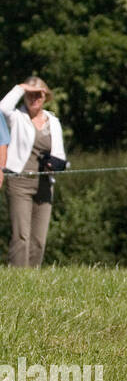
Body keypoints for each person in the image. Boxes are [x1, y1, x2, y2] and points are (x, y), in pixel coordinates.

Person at [2, 77, 68, 267]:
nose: (34, 99)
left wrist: (54, 164)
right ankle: (18, 277)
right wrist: (21, 87)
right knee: (21, 236)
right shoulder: (16, 117)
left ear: (45, 96)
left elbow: (59, 155)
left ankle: (33, 278)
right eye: (30, 95)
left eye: (38, 94)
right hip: (19, 182)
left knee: (39, 239)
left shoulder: (53, 121)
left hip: (44, 184)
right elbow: (2, 107)